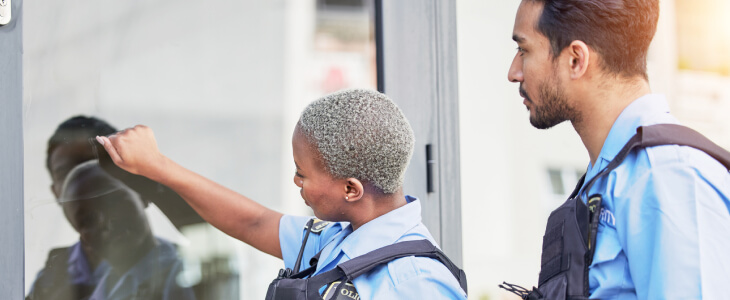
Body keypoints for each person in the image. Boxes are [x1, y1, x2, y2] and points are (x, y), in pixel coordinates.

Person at [96, 89, 468, 299]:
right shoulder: (339, 237)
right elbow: (253, 221)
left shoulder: (415, 282)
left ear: (350, 189)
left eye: (302, 173)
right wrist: (157, 167)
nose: (296, 182)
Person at [506, 0, 730, 299]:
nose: (514, 72)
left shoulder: (670, 178)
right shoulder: (608, 177)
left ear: (576, 60)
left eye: (524, 50)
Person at [57, 160, 195, 300]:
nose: (106, 223)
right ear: (83, 238)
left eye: (113, 202)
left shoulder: (187, 274)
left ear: (143, 196)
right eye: (88, 220)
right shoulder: (100, 291)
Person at [27, 116, 118, 300]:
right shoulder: (50, 277)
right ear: (56, 193)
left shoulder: (166, 263)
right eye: (65, 174)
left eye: (91, 166)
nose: (80, 184)